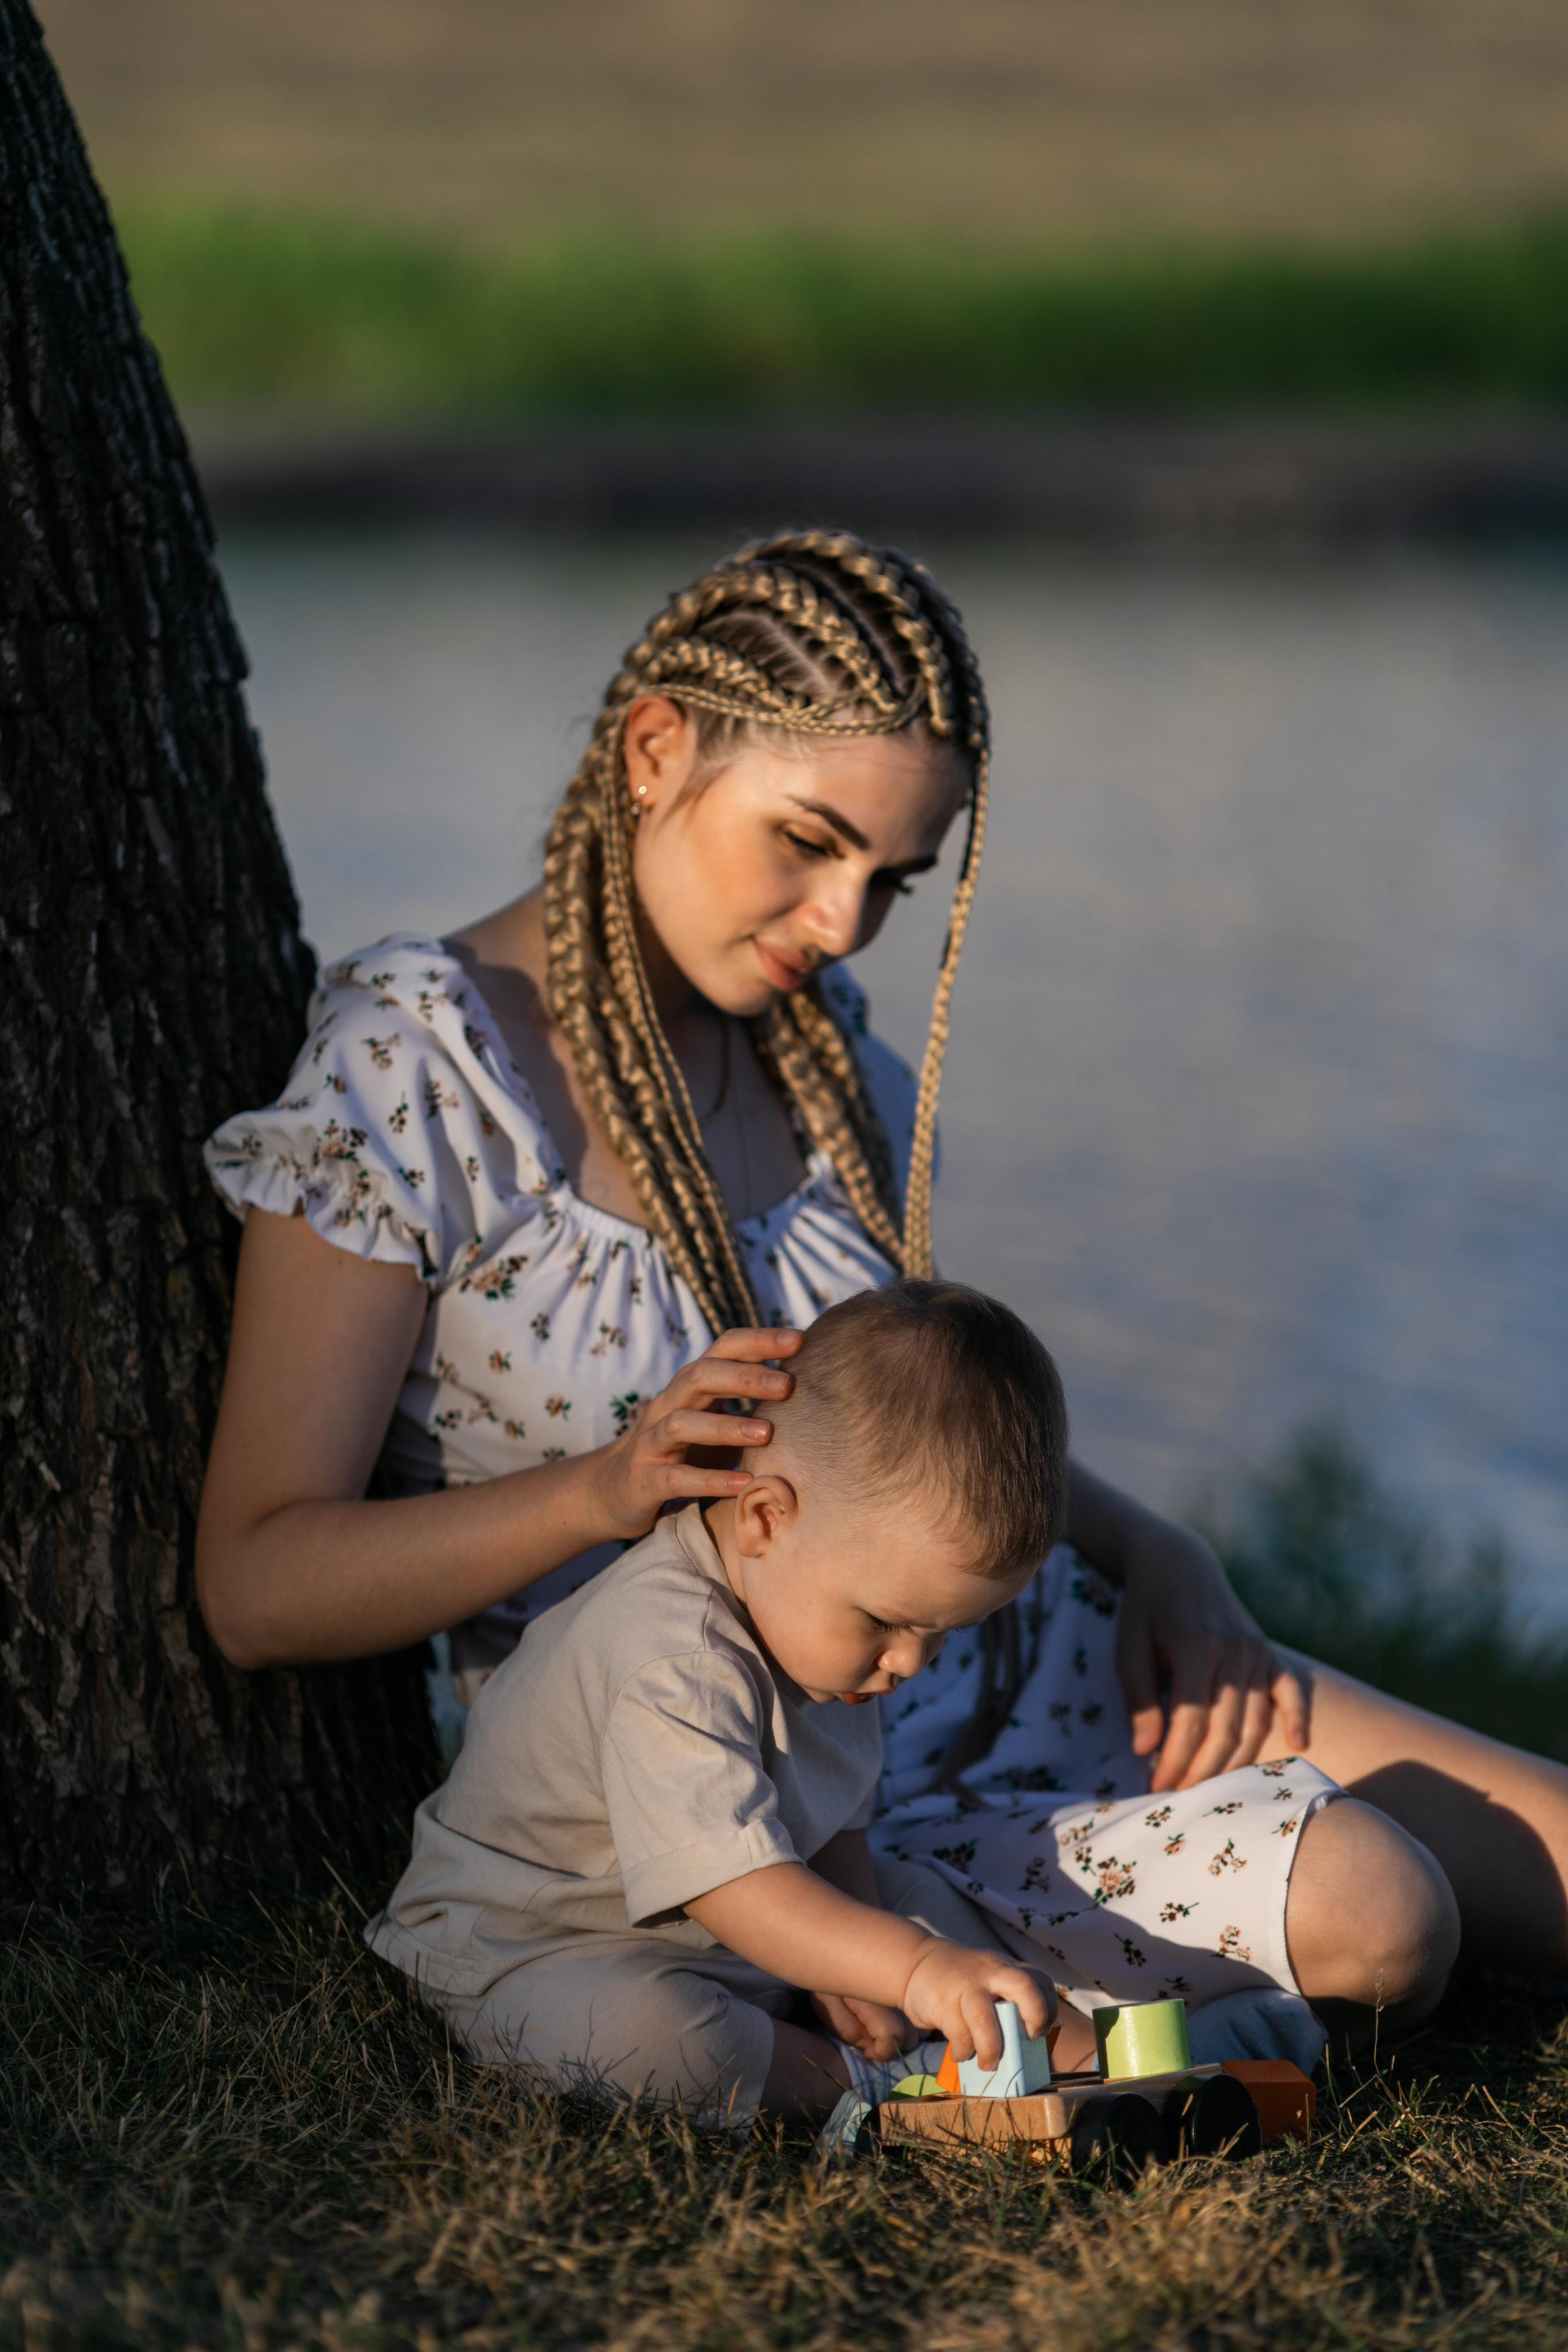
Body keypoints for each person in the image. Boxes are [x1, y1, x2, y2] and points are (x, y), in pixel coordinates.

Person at [198, 529, 1568, 2033]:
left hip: (1037, 1649)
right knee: (1383, 1915)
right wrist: (603, 1491)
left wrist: (1152, 1545)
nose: (843, 924)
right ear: (656, 749)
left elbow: (896, 1437)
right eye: (805, 840)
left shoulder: (811, 1041)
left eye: (891, 879)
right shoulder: (413, 1068)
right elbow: (258, 1583)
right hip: (766, 1793)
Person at [366, 1282, 1066, 2126]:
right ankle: (862, 2089)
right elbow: (739, 1889)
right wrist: (910, 1971)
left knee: (923, 1905)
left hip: (728, 1933)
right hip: (539, 1946)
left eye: (939, 1635)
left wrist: (853, 1957)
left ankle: (1066, 2040)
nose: (910, 1661)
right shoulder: (672, 1655)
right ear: (766, 1518)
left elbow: (834, 1817)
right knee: (650, 2039)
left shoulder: (828, 1633)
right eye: (889, 1622)